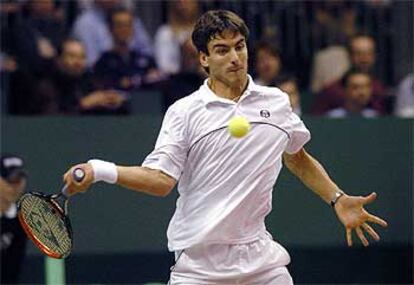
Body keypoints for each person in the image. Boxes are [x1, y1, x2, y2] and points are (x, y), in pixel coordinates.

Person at [64, 10, 388, 284]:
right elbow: (160, 181)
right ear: (203, 58)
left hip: (262, 261)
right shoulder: (184, 112)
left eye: (240, 47)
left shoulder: (276, 102)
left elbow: (297, 158)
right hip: (199, 267)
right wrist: (100, 169)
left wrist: (337, 198)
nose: (235, 58)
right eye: (222, 50)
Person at [312, 34, 388, 115]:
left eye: (369, 53)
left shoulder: (379, 89)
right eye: (359, 53)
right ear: (349, 56)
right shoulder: (331, 92)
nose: (364, 59)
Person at [72, 0, 153, 67]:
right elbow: (90, 64)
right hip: (104, 76)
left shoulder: (130, 17)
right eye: (119, 25)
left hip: (135, 72)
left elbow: (147, 52)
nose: (124, 29)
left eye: (127, 25)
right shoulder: (85, 24)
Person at [0, 155, 28, 284]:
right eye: (10, 180)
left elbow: (11, 274)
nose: (15, 186)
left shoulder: (20, 223)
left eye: (19, 179)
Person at [154, 0, 200, 75]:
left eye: (188, 2)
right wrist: (182, 52)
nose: (184, 6)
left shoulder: (206, 30)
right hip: (176, 81)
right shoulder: (165, 33)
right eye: (180, 2)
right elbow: (164, 68)